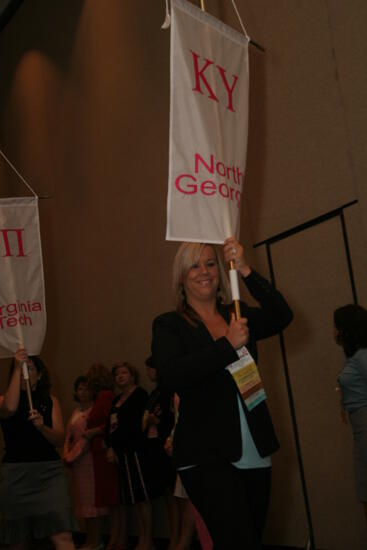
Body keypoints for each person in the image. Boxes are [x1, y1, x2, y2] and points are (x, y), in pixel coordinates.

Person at [151, 237, 293, 549]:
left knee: (251, 539)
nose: (204, 271)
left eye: (211, 263)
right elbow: (171, 374)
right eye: (194, 265)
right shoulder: (170, 325)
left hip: (255, 445)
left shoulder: (238, 315)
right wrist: (227, 345)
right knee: (235, 540)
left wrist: (244, 269)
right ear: (181, 277)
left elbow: (282, 315)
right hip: (205, 452)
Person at [0, 348, 76, 550]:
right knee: (18, 540)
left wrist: (42, 427)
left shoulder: (51, 401)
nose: (26, 370)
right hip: (16, 475)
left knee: (63, 535)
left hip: (49, 474)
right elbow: (9, 409)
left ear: (40, 375)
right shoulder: (3, 399)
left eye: (30, 367)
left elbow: (59, 439)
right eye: (22, 367)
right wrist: (17, 366)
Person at [106, 362, 161, 550]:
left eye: (124, 372)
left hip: (136, 451)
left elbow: (137, 425)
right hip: (121, 454)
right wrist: (111, 446)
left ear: (132, 375)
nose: (120, 376)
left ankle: (148, 539)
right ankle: (141, 538)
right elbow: (110, 426)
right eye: (117, 374)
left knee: (142, 496)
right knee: (133, 498)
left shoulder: (139, 395)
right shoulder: (116, 400)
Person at [63, 375, 108, 550]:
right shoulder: (76, 412)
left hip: (89, 461)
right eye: (80, 388)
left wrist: (71, 456)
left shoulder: (93, 412)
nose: (83, 392)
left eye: (87, 388)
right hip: (76, 464)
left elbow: (85, 440)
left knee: (92, 505)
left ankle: (96, 541)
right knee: (82, 503)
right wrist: (66, 453)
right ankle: (89, 540)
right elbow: (69, 436)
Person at [334, 304, 367, 524]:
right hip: (360, 428)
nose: (334, 331)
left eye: (336, 326)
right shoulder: (354, 355)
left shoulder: (363, 356)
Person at [85, 363, 122, 550]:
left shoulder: (105, 397)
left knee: (113, 498)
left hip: (104, 451)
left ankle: (116, 539)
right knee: (109, 498)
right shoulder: (101, 397)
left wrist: (91, 432)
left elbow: (110, 423)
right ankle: (114, 538)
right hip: (98, 453)